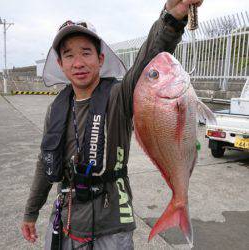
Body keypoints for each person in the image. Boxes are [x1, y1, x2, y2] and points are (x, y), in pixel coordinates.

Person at [21, 0, 203, 249]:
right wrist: (31, 212)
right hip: (66, 221)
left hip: (113, 225)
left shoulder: (119, 95)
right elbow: (46, 162)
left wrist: (172, 17)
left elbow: (148, 59)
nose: (78, 62)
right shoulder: (56, 108)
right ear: (61, 65)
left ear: (100, 58)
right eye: (69, 55)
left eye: (86, 52)